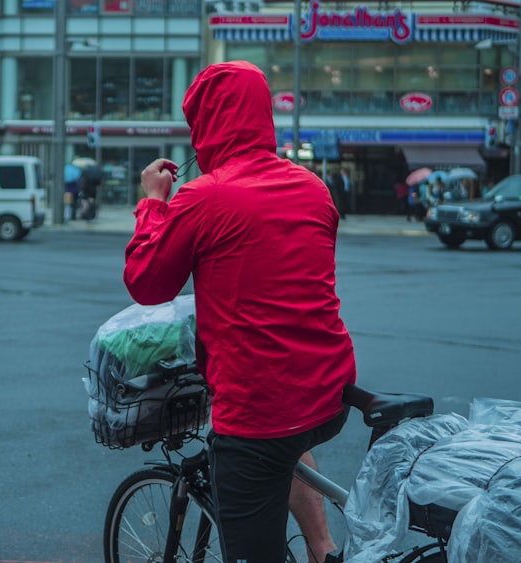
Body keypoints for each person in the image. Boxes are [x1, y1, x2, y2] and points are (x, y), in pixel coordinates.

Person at [125, 61, 357, 563]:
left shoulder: (203, 197)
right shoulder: (313, 187)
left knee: (264, 461)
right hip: (329, 391)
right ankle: (323, 549)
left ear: (207, 125)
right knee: (289, 441)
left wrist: (152, 204)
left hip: (258, 406)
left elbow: (147, 283)